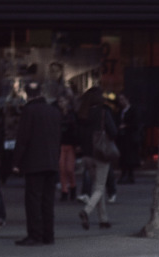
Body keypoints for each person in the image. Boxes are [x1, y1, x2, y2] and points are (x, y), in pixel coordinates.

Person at [13, 80, 61, 246]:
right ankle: (49, 234)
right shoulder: (53, 111)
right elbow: (58, 137)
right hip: (51, 161)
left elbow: (23, 138)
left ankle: (35, 234)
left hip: (34, 163)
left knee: (33, 200)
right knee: (48, 201)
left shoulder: (29, 111)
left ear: (27, 94)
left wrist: (16, 161)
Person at [76, 86, 117, 230]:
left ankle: (103, 219)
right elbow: (113, 131)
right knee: (100, 187)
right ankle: (86, 211)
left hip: (87, 154)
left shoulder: (82, 113)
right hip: (100, 153)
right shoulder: (103, 112)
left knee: (97, 186)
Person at [57, 95, 79, 202]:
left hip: (70, 143)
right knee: (62, 168)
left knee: (69, 169)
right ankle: (65, 190)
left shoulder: (71, 114)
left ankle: (72, 187)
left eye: (63, 101)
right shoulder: (57, 114)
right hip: (61, 144)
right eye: (60, 101)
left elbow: (75, 129)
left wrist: (77, 144)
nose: (61, 103)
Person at [115, 93, 140, 183]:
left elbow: (136, 123)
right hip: (122, 137)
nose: (121, 102)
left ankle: (130, 174)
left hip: (130, 137)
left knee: (130, 157)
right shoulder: (120, 111)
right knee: (123, 156)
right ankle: (124, 174)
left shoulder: (133, 110)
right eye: (120, 100)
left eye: (122, 99)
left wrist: (126, 126)